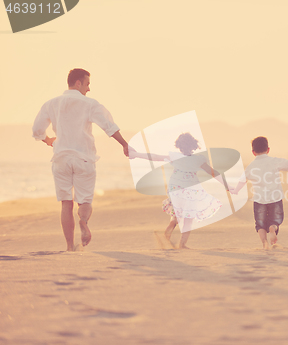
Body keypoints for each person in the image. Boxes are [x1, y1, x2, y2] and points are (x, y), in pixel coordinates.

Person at [32, 68, 129, 251]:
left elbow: (37, 129)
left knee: (66, 203)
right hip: (83, 158)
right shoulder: (90, 104)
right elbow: (108, 126)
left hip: (60, 159)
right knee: (84, 201)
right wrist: (124, 143)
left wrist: (47, 140)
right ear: (78, 83)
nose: (89, 89)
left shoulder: (51, 104)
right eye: (87, 84)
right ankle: (83, 222)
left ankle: (70, 246)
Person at [129, 133, 223, 249]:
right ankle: (179, 244)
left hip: (179, 191)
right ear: (193, 146)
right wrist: (227, 185)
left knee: (178, 218)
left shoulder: (179, 157)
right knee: (186, 219)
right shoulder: (196, 159)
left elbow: (155, 157)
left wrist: (136, 154)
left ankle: (169, 240)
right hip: (187, 192)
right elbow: (213, 172)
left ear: (180, 146)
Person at [230, 136, 288, 249]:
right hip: (275, 198)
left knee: (260, 225)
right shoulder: (274, 161)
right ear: (268, 149)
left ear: (253, 152)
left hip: (259, 201)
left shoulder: (250, 167)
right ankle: (272, 228)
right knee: (275, 220)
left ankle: (264, 243)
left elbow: (240, 184)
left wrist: (233, 190)